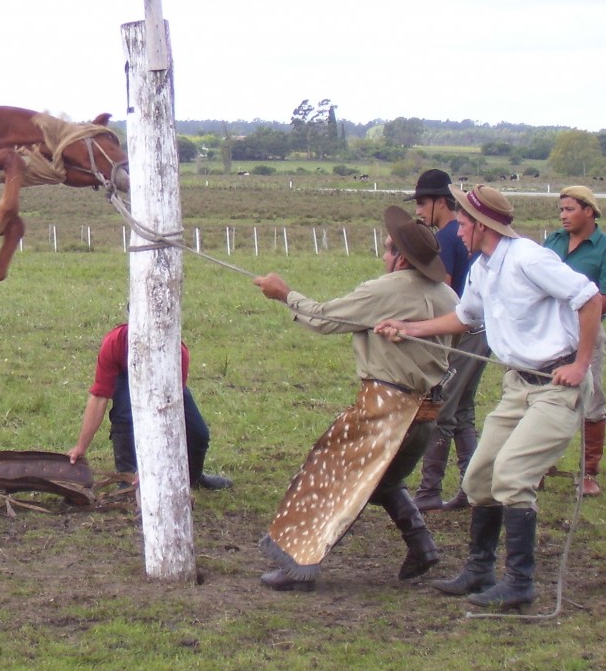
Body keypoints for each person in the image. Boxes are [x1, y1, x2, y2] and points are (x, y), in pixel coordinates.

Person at [377, 184, 601, 609]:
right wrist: (407, 327)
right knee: (479, 478)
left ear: (482, 225)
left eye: (463, 222)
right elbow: (465, 316)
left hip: (556, 387)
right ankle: (480, 569)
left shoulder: (529, 258)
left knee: (513, 476)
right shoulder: (482, 267)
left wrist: (581, 364)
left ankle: (520, 583)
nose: (458, 230)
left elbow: (588, 299)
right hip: (518, 385)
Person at [252, 206, 458, 591]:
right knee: (381, 479)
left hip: (385, 410)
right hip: (426, 414)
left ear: (399, 256)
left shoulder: (385, 291)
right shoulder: (447, 294)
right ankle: (422, 544)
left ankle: (298, 567)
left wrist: (284, 294)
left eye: (385, 249)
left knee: (327, 480)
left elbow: (323, 318)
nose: (382, 257)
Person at [406, 169, 490, 512]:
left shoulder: (447, 237)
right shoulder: (462, 233)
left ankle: (429, 490)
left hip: (461, 334)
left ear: (443, 202)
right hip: (482, 332)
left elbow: (444, 289)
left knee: (440, 411)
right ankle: (474, 488)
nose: (419, 210)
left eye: (424, 202)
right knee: (464, 412)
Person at [68, 322, 232, 490]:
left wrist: (153, 467)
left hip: (165, 385)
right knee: (125, 412)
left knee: (199, 434)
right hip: (128, 376)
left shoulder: (177, 353)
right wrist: (81, 446)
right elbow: (99, 397)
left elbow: (170, 413)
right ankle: (128, 477)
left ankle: (190, 478)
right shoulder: (115, 342)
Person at [543, 185, 606, 497]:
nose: (563, 216)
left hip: (586, 331)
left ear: (589, 211)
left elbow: (603, 297)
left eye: (570, 209)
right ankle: (540, 463)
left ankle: (589, 472)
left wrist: (578, 307)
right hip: (548, 329)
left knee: (591, 398)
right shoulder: (553, 241)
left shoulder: (604, 247)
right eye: (561, 209)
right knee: (542, 391)